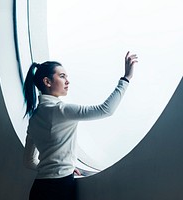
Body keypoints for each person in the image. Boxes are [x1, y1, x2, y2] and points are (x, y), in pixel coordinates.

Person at [23, 51, 138, 200]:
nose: (67, 81)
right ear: (47, 82)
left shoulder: (34, 118)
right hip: (60, 188)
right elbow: (106, 110)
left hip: (39, 189)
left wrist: (54, 168)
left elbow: (28, 161)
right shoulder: (61, 110)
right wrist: (126, 78)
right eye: (62, 76)